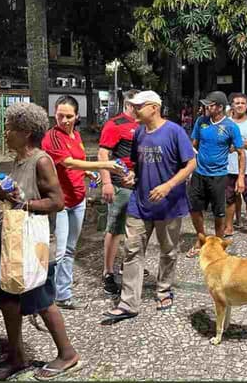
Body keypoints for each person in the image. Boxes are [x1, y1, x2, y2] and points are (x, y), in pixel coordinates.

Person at [0, 102, 79, 380]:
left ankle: (68, 354)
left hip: (33, 243)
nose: (5, 133)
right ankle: (17, 357)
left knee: (41, 300)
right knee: (7, 298)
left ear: (27, 132)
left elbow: (57, 201)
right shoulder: (17, 160)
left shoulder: (41, 160)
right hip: (12, 240)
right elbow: (14, 197)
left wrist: (26, 203)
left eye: (10, 129)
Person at [101, 91, 196, 323]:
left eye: (139, 106)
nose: (134, 110)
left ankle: (163, 291)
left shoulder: (174, 131)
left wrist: (168, 185)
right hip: (139, 204)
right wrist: (131, 176)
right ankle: (128, 303)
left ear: (154, 107)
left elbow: (191, 163)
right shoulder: (140, 132)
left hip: (169, 206)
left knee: (169, 250)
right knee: (132, 251)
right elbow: (136, 164)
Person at [42, 95, 127, 309]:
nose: (64, 120)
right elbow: (68, 163)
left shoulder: (76, 135)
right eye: (60, 115)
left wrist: (89, 172)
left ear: (77, 116)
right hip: (60, 201)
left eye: (69, 116)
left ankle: (63, 294)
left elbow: (75, 162)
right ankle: (45, 298)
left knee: (70, 249)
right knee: (58, 252)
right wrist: (104, 165)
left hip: (78, 198)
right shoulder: (52, 137)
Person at [187, 91, 245, 257]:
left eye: (210, 104)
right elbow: (193, 145)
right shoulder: (201, 122)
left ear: (220, 107)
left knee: (219, 212)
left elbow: (241, 152)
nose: (206, 107)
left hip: (219, 175)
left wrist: (240, 177)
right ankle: (201, 238)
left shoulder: (230, 127)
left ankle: (218, 242)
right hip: (199, 173)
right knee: (194, 208)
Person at [98, 89, 140, 296]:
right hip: (119, 184)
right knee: (114, 229)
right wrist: (106, 182)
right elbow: (103, 153)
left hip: (140, 184)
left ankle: (127, 265)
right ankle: (108, 272)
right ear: (129, 105)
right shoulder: (115, 124)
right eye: (138, 104)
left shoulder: (145, 124)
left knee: (135, 229)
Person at [223, 93, 247, 240]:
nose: (240, 105)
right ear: (232, 105)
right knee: (229, 199)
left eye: (243, 103)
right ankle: (229, 226)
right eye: (237, 103)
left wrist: (239, 143)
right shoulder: (226, 122)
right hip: (228, 167)